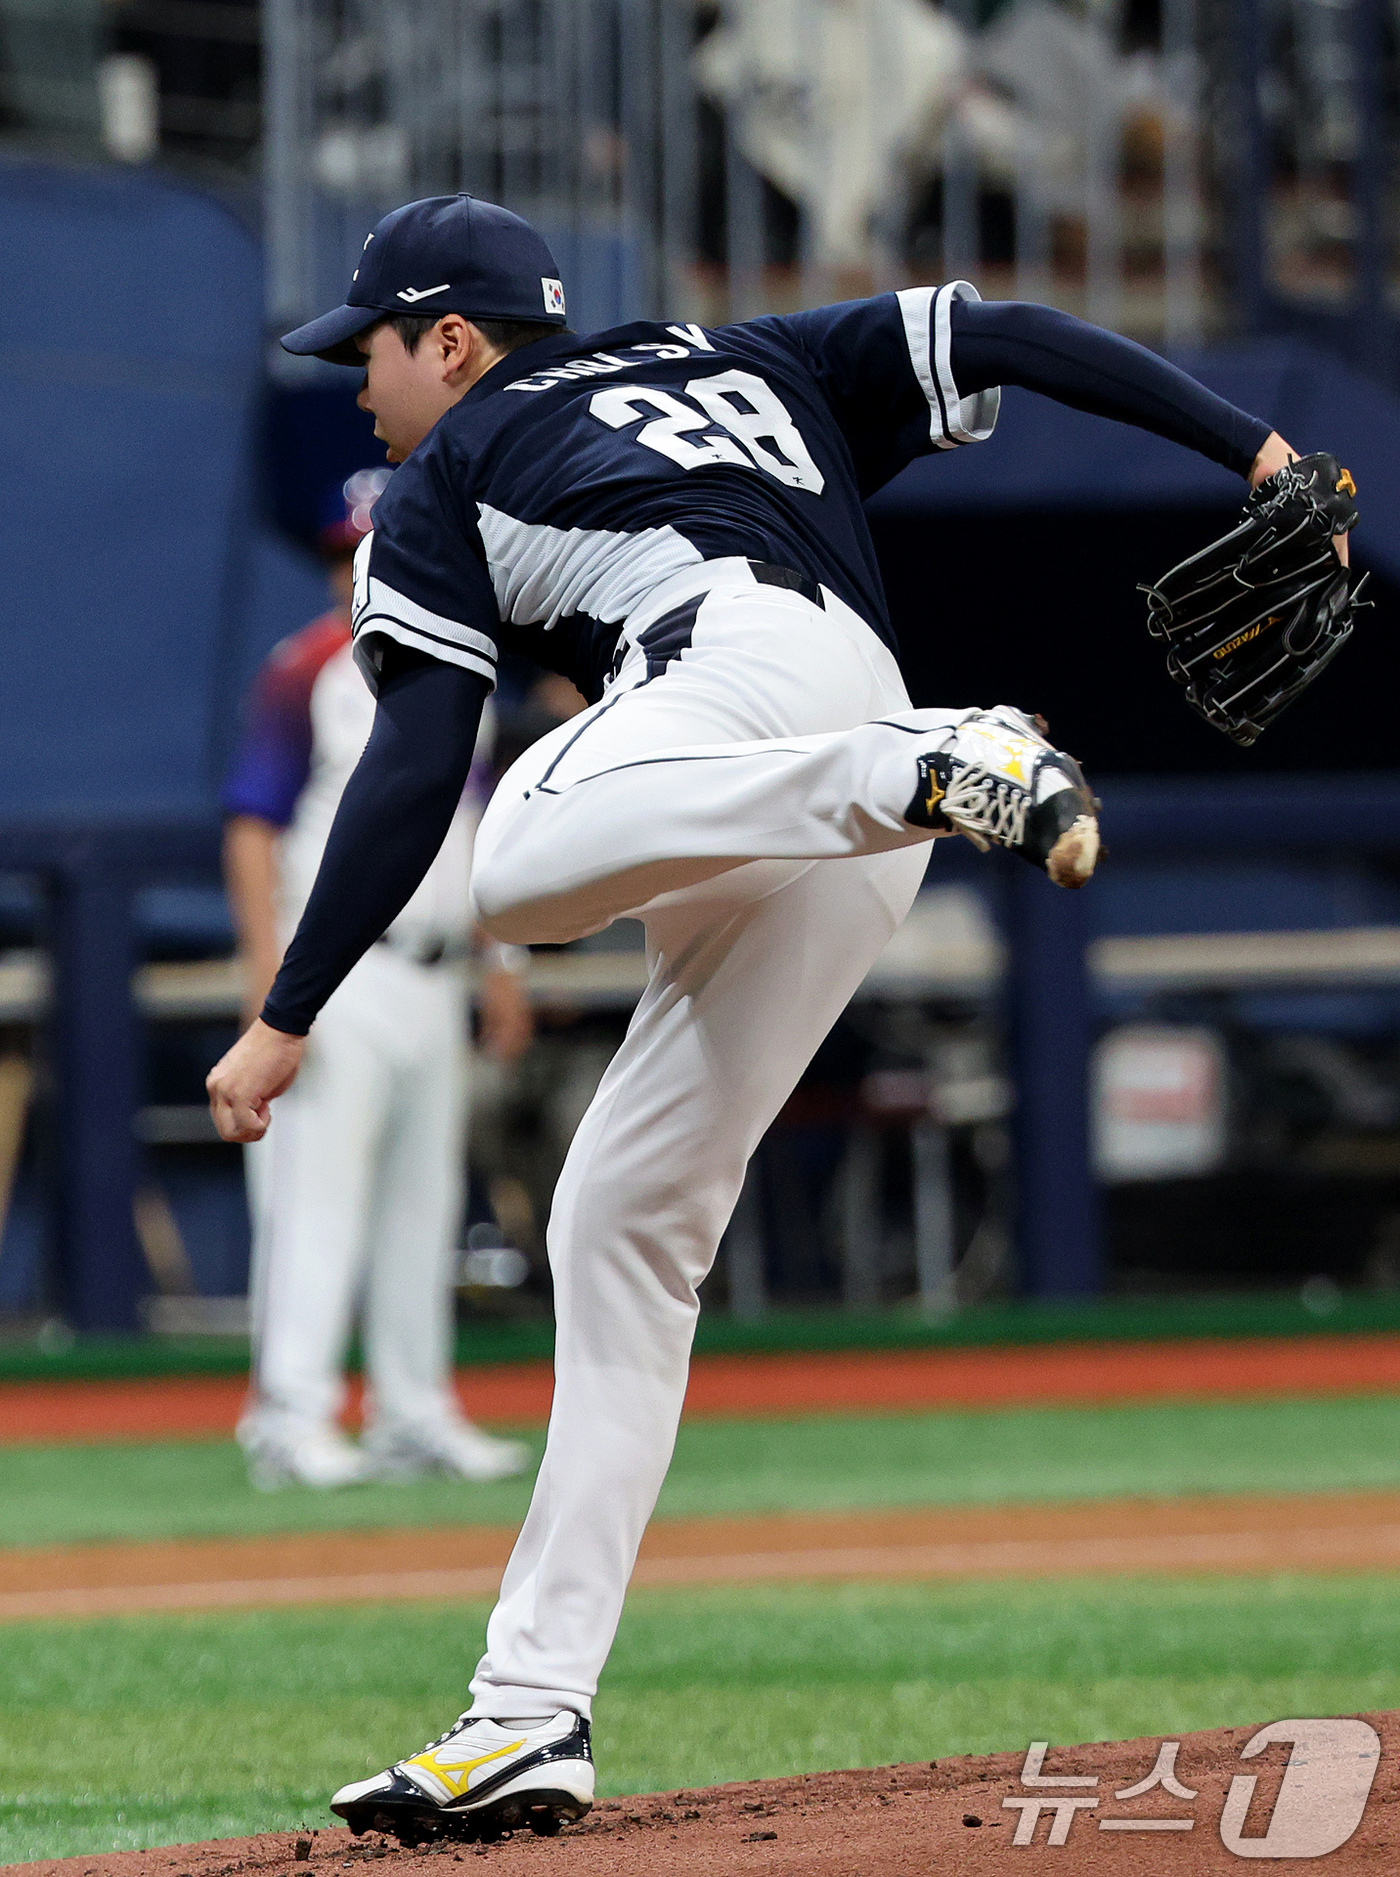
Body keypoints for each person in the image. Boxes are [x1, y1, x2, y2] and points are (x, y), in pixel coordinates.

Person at [206, 193, 1340, 1837]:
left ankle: (930, 763)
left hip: (766, 722)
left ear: (449, 339)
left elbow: (404, 772)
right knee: (619, 1225)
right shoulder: (743, 356)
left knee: (510, 852)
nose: (360, 386)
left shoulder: (444, 477)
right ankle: (527, 1715)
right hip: (834, 780)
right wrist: (1257, 449)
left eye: (371, 350)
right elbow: (1011, 330)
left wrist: (283, 1009)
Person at [223, 470, 535, 1489]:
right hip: (341, 976)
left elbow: (476, 826)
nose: (359, 564)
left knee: (420, 1199)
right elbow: (253, 823)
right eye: (346, 549)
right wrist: (273, 984)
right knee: (318, 1193)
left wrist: (501, 962)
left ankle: (412, 1409)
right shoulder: (307, 667)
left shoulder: (458, 664)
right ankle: (291, 1412)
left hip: (437, 966)